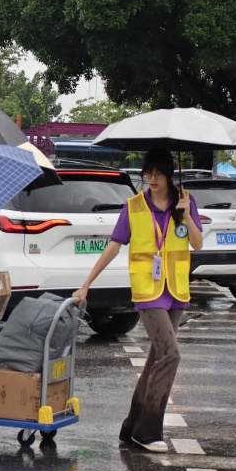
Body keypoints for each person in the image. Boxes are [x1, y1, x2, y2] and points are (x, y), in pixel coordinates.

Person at [72, 147, 203, 453]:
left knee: (157, 358)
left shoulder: (185, 200)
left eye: (158, 173)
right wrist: (86, 284)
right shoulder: (133, 206)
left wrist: (185, 213)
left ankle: (131, 425)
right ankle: (148, 430)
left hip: (176, 288)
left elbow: (197, 243)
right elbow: (113, 246)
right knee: (171, 354)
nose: (152, 179)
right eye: (148, 173)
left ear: (169, 174)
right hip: (148, 289)